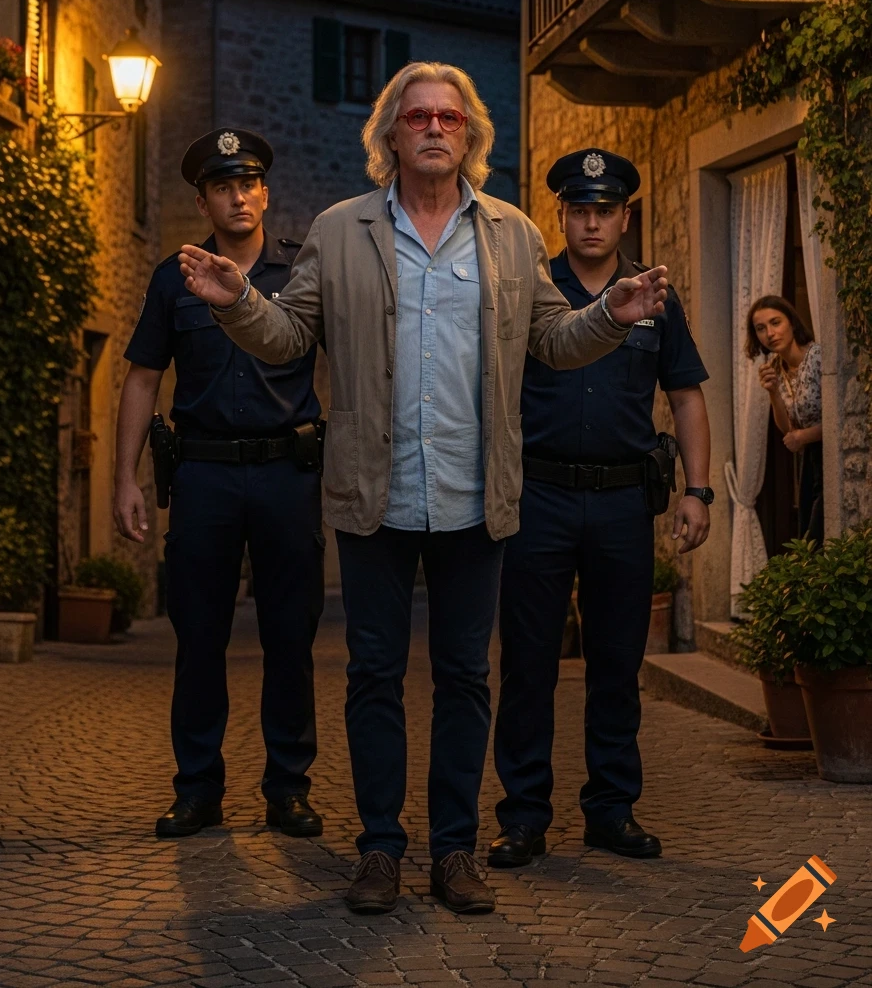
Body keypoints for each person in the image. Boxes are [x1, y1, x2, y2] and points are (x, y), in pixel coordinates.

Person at [177, 62, 669, 916]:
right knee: (372, 673)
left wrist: (609, 320)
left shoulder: (511, 233)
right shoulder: (340, 230)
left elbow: (552, 340)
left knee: (463, 677)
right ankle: (378, 847)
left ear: (470, 134)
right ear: (390, 135)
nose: (434, 128)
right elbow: (291, 336)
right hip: (376, 491)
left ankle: (453, 851)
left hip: (477, 492)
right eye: (417, 117)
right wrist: (234, 305)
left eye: (449, 116)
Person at [489, 149, 712, 870]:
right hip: (539, 498)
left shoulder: (654, 297)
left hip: (622, 501)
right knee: (529, 666)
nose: (591, 221)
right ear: (561, 214)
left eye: (604, 210)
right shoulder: (527, 290)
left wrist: (698, 491)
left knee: (617, 665)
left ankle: (611, 810)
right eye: (579, 209)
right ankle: (524, 817)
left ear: (624, 216)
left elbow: (686, 395)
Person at [114, 128, 325, 841]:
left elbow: (358, 367)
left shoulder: (302, 274)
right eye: (223, 186)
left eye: (250, 183)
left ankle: (288, 789)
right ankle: (198, 789)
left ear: (265, 192)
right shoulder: (174, 278)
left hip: (287, 474)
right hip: (203, 474)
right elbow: (143, 376)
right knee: (198, 638)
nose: (239, 195)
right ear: (202, 199)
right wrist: (126, 478)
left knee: (290, 639)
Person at [747, 295, 823, 544]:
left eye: (775, 322)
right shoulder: (777, 367)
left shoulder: (817, 357)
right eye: (761, 328)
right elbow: (787, 429)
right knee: (806, 535)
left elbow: (841, 420)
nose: (769, 333)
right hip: (808, 461)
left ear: (791, 322)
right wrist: (772, 392)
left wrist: (805, 436)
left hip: (831, 455)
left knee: (817, 535)